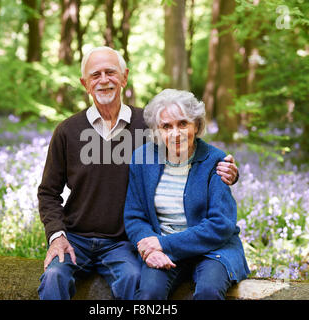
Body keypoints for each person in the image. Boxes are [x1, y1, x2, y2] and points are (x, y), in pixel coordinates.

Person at [37, 46, 240, 300]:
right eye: (95, 75)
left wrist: (229, 171)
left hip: (122, 242)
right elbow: (48, 192)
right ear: (85, 84)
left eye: (110, 72)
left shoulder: (152, 125)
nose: (103, 80)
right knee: (54, 277)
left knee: (135, 281)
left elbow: (194, 151)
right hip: (76, 236)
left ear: (124, 77)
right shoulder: (67, 131)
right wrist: (57, 235)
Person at [124, 89, 250, 300]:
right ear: (157, 130)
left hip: (211, 250)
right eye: (166, 126)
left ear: (197, 125)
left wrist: (164, 244)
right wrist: (151, 247)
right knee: (149, 295)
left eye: (183, 123)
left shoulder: (215, 160)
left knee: (209, 292)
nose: (176, 133)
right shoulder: (142, 158)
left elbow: (221, 224)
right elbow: (135, 216)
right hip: (161, 248)